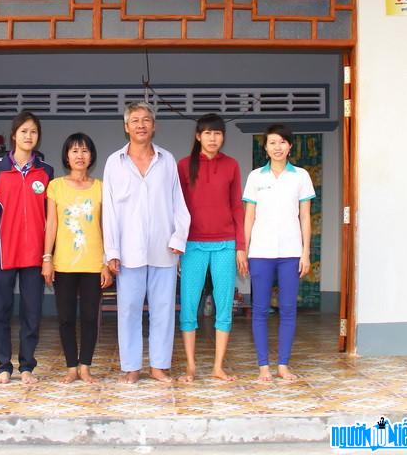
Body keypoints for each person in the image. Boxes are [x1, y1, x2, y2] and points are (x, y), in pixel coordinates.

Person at [102, 101, 191, 384]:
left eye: (146, 120)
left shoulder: (167, 160)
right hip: (128, 251)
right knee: (128, 309)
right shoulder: (114, 163)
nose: (141, 125)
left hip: (164, 249)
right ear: (126, 127)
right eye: (135, 120)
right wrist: (112, 251)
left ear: (154, 125)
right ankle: (131, 367)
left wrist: (179, 236)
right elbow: (110, 211)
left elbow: (179, 202)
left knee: (163, 309)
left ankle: (159, 366)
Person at [0, 111, 54, 384]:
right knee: (0, 312)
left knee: (32, 312)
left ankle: (27, 366)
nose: (29, 136)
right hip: (3, 255)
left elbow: (52, 217)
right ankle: (4, 366)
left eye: (33, 132)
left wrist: (49, 255)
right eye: (24, 131)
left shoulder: (46, 172)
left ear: (38, 136)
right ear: (14, 135)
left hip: (34, 256)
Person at [177, 113, 247, 382]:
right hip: (193, 245)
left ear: (223, 137)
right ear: (198, 136)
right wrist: (178, 245)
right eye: (207, 133)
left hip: (225, 245)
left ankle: (218, 366)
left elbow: (236, 207)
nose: (213, 138)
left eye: (217, 133)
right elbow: (178, 209)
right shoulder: (184, 166)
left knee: (224, 304)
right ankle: (191, 366)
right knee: (189, 305)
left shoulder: (231, 165)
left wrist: (240, 246)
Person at [243, 124, 315, 382]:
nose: (277, 147)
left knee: (288, 309)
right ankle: (263, 367)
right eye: (272, 142)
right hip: (260, 251)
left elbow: (305, 216)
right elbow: (249, 216)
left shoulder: (301, 176)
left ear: (290, 146)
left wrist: (306, 253)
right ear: (265, 147)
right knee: (260, 309)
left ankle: (283, 365)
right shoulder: (255, 177)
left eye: (282, 142)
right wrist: (245, 249)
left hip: (291, 251)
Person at [42, 133, 113, 383]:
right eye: (74, 151)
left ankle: (85, 366)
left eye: (84, 150)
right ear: (67, 156)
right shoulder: (55, 186)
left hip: (94, 264)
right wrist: (46, 258)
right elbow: (51, 224)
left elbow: (106, 226)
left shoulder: (101, 187)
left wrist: (106, 262)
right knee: (66, 317)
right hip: (63, 264)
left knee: (90, 317)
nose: (79, 155)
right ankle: (71, 366)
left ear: (91, 155)